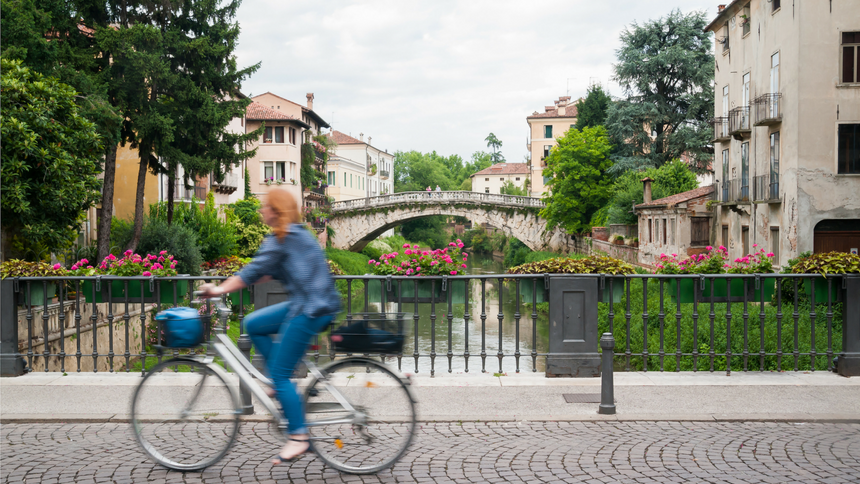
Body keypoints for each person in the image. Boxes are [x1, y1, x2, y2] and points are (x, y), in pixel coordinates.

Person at [199, 187, 341, 465]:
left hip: (311, 308)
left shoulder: (283, 238)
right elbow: (264, 271)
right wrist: (241, 279)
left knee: (279, 374)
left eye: (266, 207)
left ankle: (299, 437)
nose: (261, 210)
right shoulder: (292, 235)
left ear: (276, 212)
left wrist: (218, 290)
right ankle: (279, 382)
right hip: (309, 301)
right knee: (253, 322)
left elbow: (252, 272)